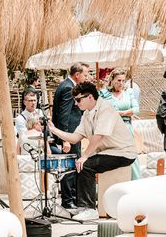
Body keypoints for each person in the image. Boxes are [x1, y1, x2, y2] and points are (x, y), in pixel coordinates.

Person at [49, 82, 137, 222]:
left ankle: (89, 209)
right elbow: (74, 138)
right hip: (109, 152)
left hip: (123, 152)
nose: (76, 104)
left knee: (86, 164)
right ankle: (83, 206)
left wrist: (84, 156)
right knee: (78, 163)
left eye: (78, 100)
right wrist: (54, 130)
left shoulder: (106, 108)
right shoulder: (87, 114)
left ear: (90, 97)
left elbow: (99, 136)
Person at [52, 62, 89, 210]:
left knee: (73, 166)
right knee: (70, 167)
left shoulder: (67, 85)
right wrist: (65, 139)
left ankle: (72, 197)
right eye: (85, 74)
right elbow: (63, 115)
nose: (86, 77)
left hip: (74, 133)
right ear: (77, 74)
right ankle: (68, 200)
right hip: (70, 134)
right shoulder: (68, 88)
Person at [99, 69, 141, 179]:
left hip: (126, 127)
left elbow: (136, 109)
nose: (121, 83)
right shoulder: (104, 94)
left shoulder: (129, 92)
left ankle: (135, 180)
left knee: (131, 154)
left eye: (123, 81)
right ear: (112, 80)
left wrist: (122, 113)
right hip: (111, 129)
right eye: (118, 80)